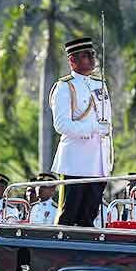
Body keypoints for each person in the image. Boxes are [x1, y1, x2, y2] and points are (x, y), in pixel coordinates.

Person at [50, 37, 113, 227]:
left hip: (98, 160)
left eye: (92, 55)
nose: (92, 59)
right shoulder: (64, 86)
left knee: (89, 215)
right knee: (68, 215)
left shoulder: (99, 84)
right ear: (73, 60)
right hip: (76, 162)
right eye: (86, 56)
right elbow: (61, 125)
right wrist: (92, 128)